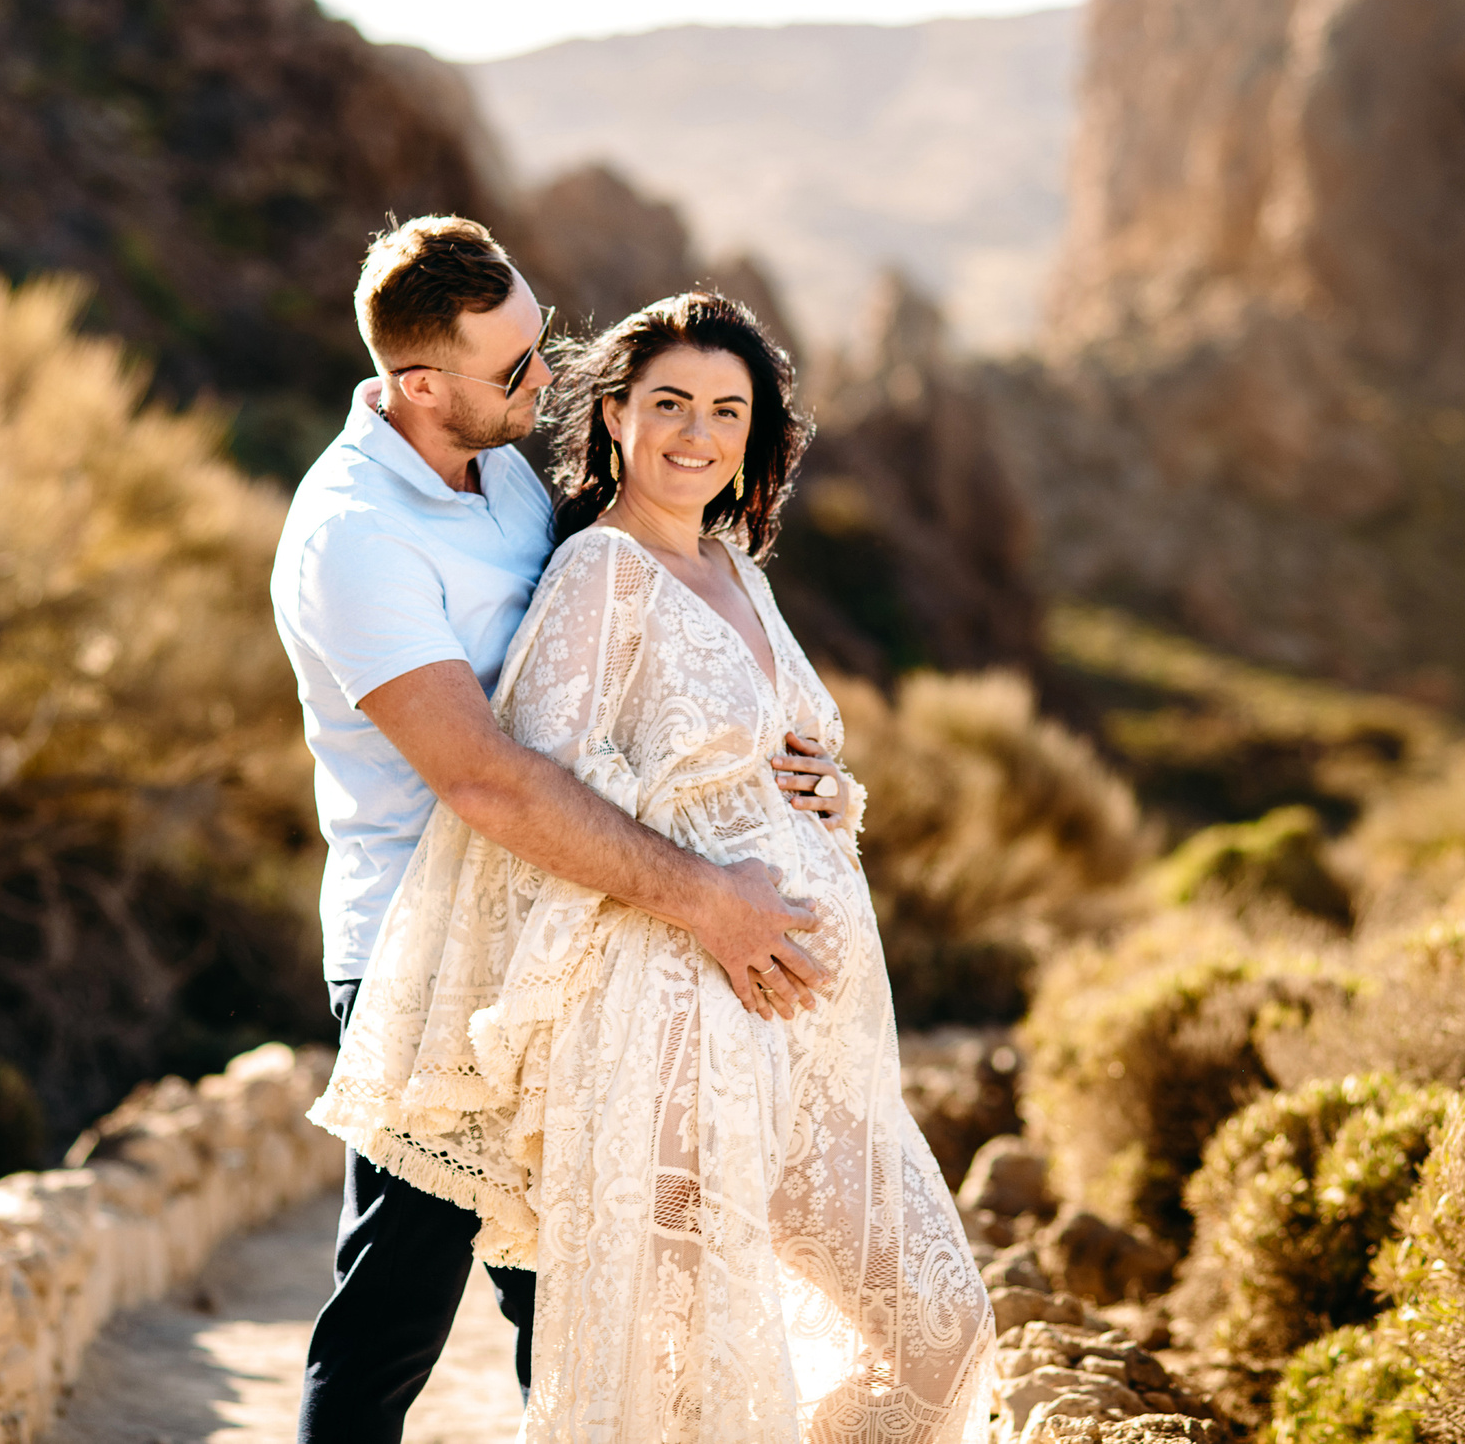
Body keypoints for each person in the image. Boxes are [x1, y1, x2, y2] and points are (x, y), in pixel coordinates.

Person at [311, 290, 997, 1442]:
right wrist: (713, 894)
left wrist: (835, 798)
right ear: (616, 416)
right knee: (681, 1377)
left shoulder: (738, 569)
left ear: (757, 434)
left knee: (942, 1328)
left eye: (727, 410)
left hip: (808, 1043)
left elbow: (759, 768)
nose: (697, 433)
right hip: (674, 1019)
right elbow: (540, 789)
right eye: (669, 402)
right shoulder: (599, 576)